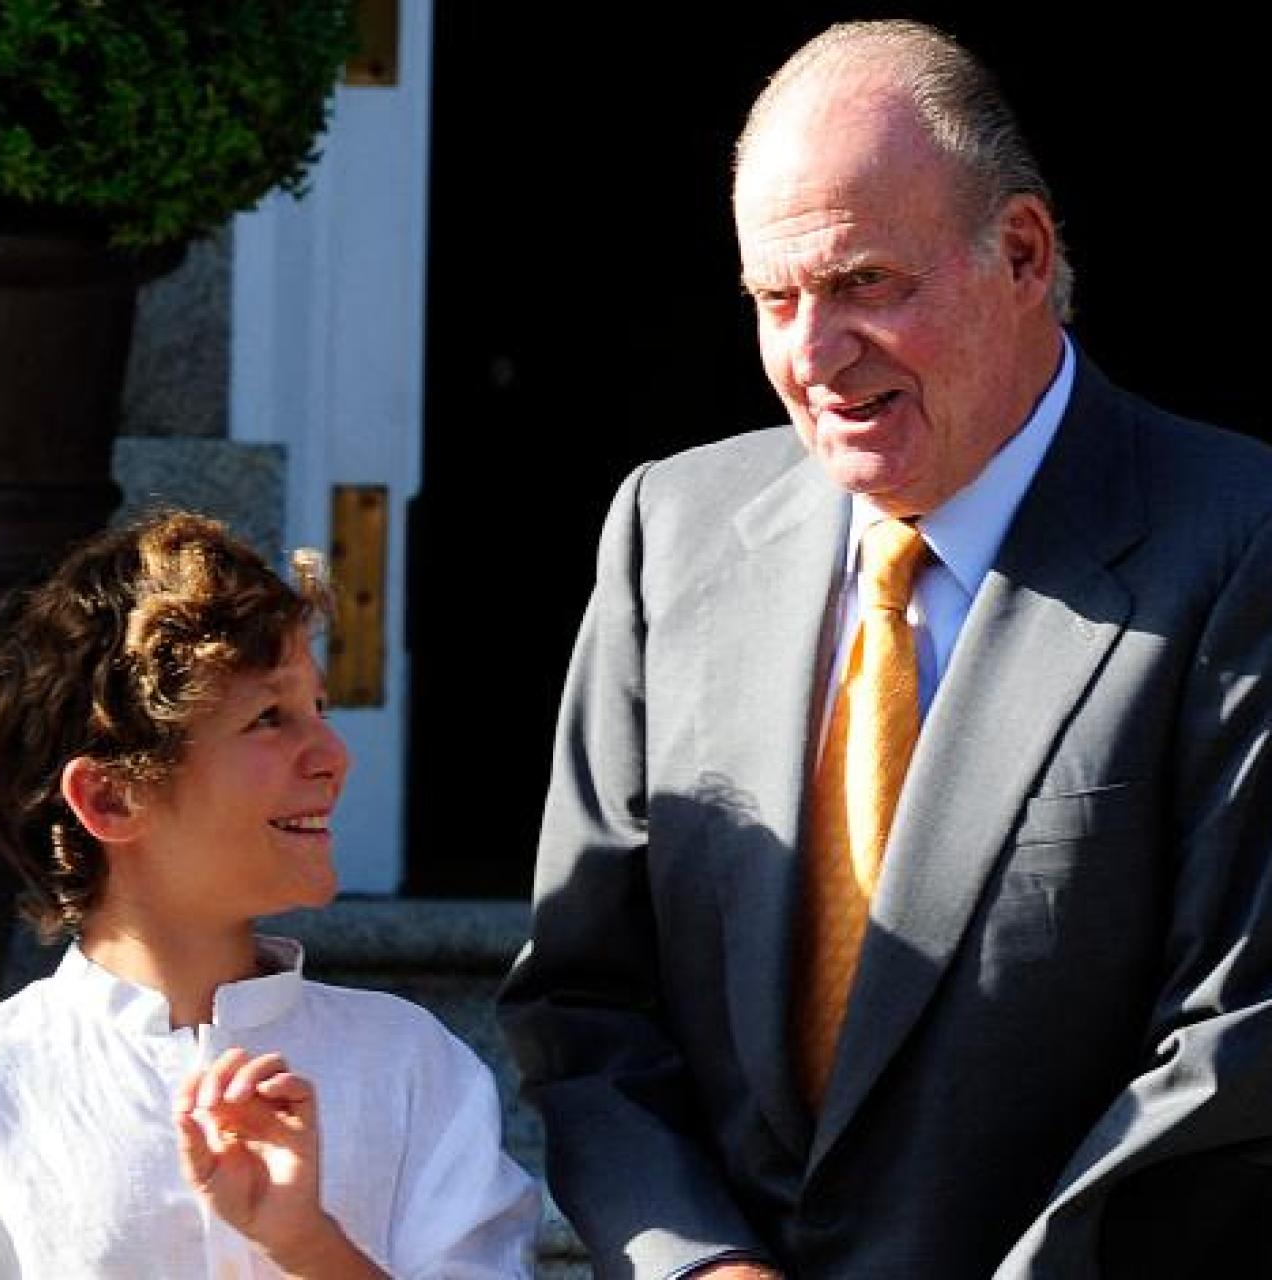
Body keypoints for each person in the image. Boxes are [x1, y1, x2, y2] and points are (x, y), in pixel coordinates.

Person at [498, 17, 1272, 1279]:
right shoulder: (669, 531)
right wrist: (698, 1261)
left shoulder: (1234, 541)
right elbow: (584, 1001)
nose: (812, 355)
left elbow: (1237, 1045)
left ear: (1020, 252)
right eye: (773, 298)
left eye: (865, 284)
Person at [0, 511, 540, 1278]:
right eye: (268, 718)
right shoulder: (8, 1083)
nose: (333, 756)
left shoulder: (411, 1066)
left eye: (319, 708)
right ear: (112, 800)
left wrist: (309, 1245)